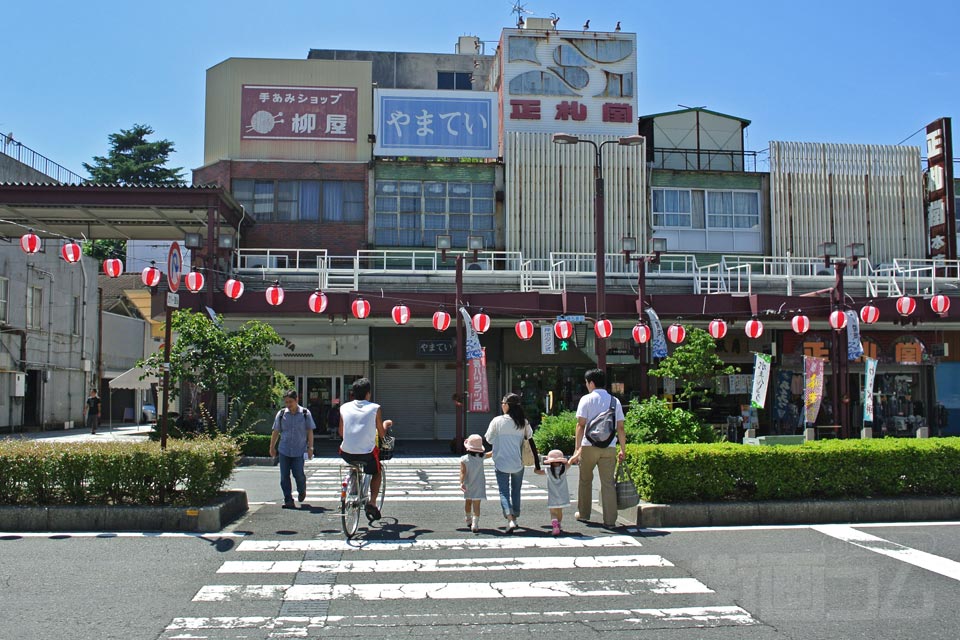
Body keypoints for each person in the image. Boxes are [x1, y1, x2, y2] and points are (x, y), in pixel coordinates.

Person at [569, 369, 626, 528]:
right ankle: (610, 520)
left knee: (585, 480)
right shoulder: (615, 401)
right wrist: (623, 449)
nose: (586, 386)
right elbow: (620, 427)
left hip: (589, 446)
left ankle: (584, 513)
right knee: (608, 484)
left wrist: (577, 449)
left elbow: (581, 425)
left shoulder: (586, 400)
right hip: (609, 447)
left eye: (587, 383)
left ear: (591, 383)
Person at [484, 393, 541, 533]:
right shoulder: (523, 422)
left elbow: (489, 440)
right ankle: (515, 517)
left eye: (503, 403)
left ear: (508, 405)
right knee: (516, 491)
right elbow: (530, 437)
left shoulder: (497, 421)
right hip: (518, 462)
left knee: (504, 492)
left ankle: (510, 519)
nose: (502, 405)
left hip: (501, 462)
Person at [339, 378, 387, 521]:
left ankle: (353, 487)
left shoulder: (343, 407)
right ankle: (372, 502)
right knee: (377, 471)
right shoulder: (375, 408)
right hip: (367, 453)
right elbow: (381, 433)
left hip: (346, 452)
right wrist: (385, 425)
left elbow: (341, 432)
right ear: (368, 393)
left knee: (354, 463)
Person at [269, 390, 316, 509]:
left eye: (290, 402)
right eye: (286, 402)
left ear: (297, 400)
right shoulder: (281, 414)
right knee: (284, 476)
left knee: (298, 475)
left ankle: (302, 489)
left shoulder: (305, 413)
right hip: (284, 450)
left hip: (299, 450)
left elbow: (309, 431)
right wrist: (272, 447)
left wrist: (310, 448)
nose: (288, 405)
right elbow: (276, 432)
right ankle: (288, 499)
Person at [459, 434, 488, 533]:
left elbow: (463, 472)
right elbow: (491, 454)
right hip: (479, 484)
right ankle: (475, 524)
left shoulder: (464, 459)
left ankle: (468, 519)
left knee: (468, 502)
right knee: (477, 504)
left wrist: (461, 482)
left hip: (468, 483)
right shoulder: (481, 457)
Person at [543, 449, 571, 536]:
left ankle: (555, 525)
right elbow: (571, 461)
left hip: (552, 496)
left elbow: (536, 471)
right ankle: (558, 523)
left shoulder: (548, 470)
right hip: (563, 495)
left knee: (553, 512)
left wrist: (536, 467)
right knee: (559, 511)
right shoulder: (564, 469)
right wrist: (577, 453)